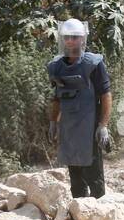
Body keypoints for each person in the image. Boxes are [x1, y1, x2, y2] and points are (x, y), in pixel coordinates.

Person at [47, 18, 113, 198]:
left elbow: (106, 95)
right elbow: (57, 97)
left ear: (82, 39)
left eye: (74, 37)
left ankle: (99, 216)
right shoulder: (56, 66)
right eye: (67, 37)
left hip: (89, 128)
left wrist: (103, 125)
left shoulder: (94, 64)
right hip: (68, 129)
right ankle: (79, 216)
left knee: (94, 177)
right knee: (75, 179)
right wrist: (53, 122)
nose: (70, 41)